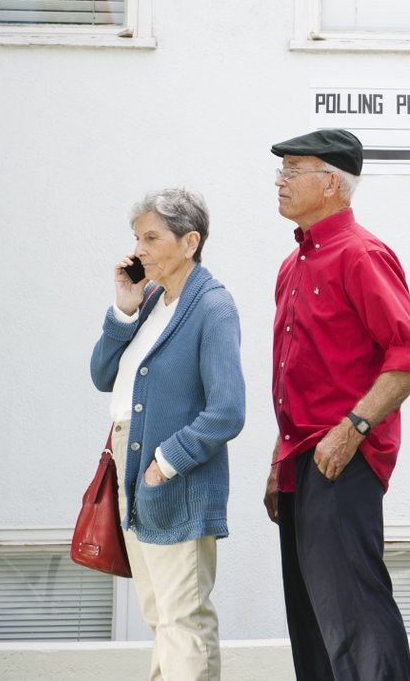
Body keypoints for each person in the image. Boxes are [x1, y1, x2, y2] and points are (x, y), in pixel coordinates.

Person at [263, 128, 410, 680]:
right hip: (301, 461)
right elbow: (297, 374)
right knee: (312, 623)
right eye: (281, 171)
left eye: (293, 171)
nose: (280, 181)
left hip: (343, 458)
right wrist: (277, 460)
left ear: (331, 182)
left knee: (355, 618)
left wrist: (353, 428)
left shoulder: (361, 254)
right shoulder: (294, 264)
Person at [89, 187, 246, 680]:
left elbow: (227, 410)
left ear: (190, 241)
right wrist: (124, 309)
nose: (139, 250)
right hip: (131, 467)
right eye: (137, 237)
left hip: (173, 477)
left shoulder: (213, 308)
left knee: (184, 619)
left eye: (152, 238)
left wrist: (165, 463)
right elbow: (101, 375)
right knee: (160, 617)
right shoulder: (152, 301)